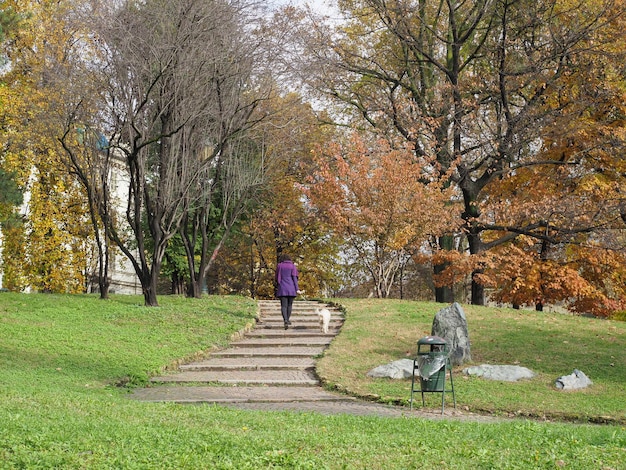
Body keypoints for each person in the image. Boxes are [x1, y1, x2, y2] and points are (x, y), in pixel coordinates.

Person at [275, 254, 299, 329]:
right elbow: (295, 278)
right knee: (289, 305)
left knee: (283, 306)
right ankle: (288, 320)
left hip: (282, 288)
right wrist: (297, 289)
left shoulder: (279, 265)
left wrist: (279, 283)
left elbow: (277, 277)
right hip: (291, 288)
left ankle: (285, 320)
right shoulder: (293, 266)